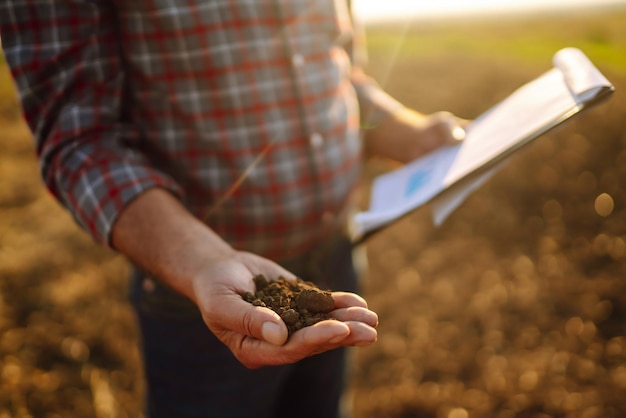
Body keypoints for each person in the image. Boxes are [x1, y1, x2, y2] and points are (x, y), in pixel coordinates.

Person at [0, 1, 466, 417]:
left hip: (335, 261)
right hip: (204, 291)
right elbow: (81, 139)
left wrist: (409, 133)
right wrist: (204, 261)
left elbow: (335, 68)